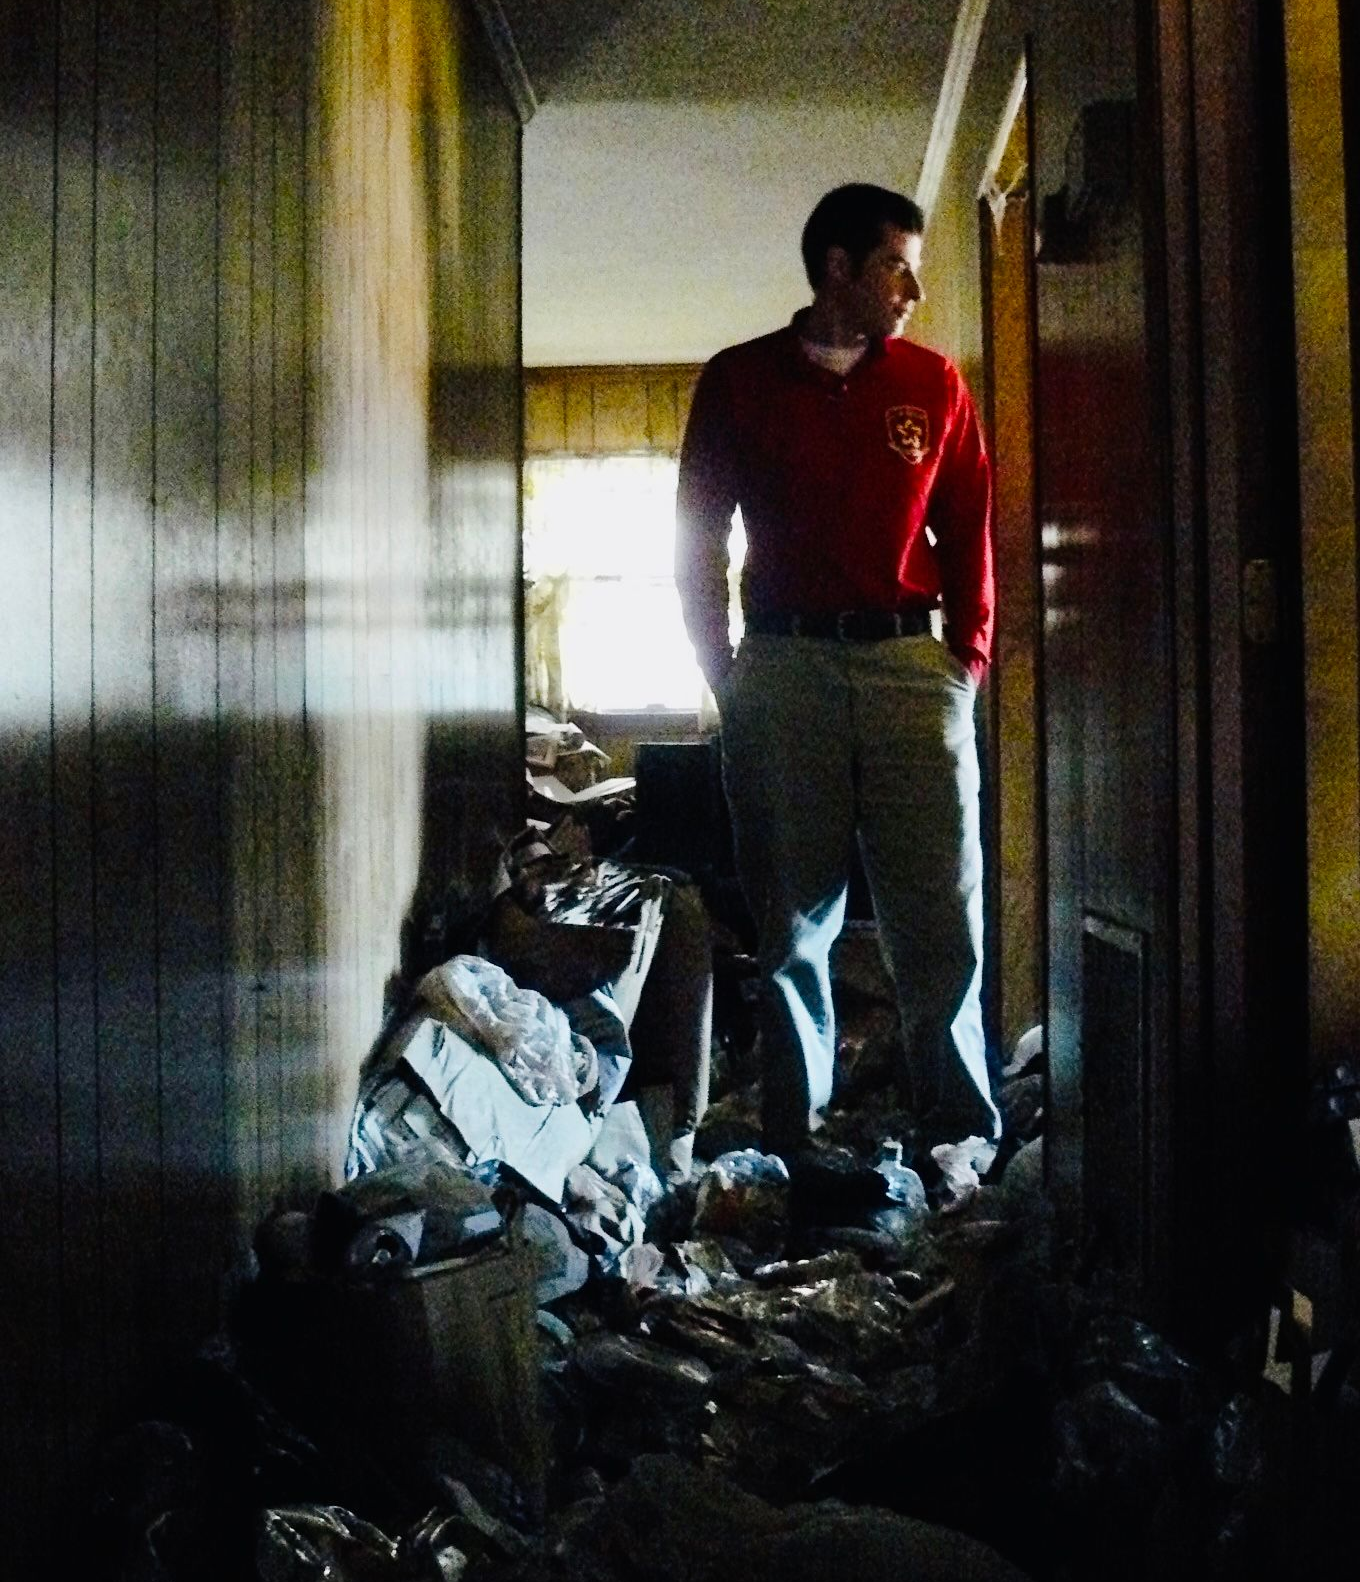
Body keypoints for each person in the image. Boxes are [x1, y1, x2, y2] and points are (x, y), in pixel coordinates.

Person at [675, 181, 999, 1161]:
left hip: (910, 662)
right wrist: (723, 669)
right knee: (790, 923)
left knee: (939, 913)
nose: (913, 288)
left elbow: (972, 523)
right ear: (838, 270)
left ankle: (959, 1137)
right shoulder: (738, 381)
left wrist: (966, 657)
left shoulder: (934, 384)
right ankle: (793, 1143)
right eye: (898, 265)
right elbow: (696, 534)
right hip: (780, 666)